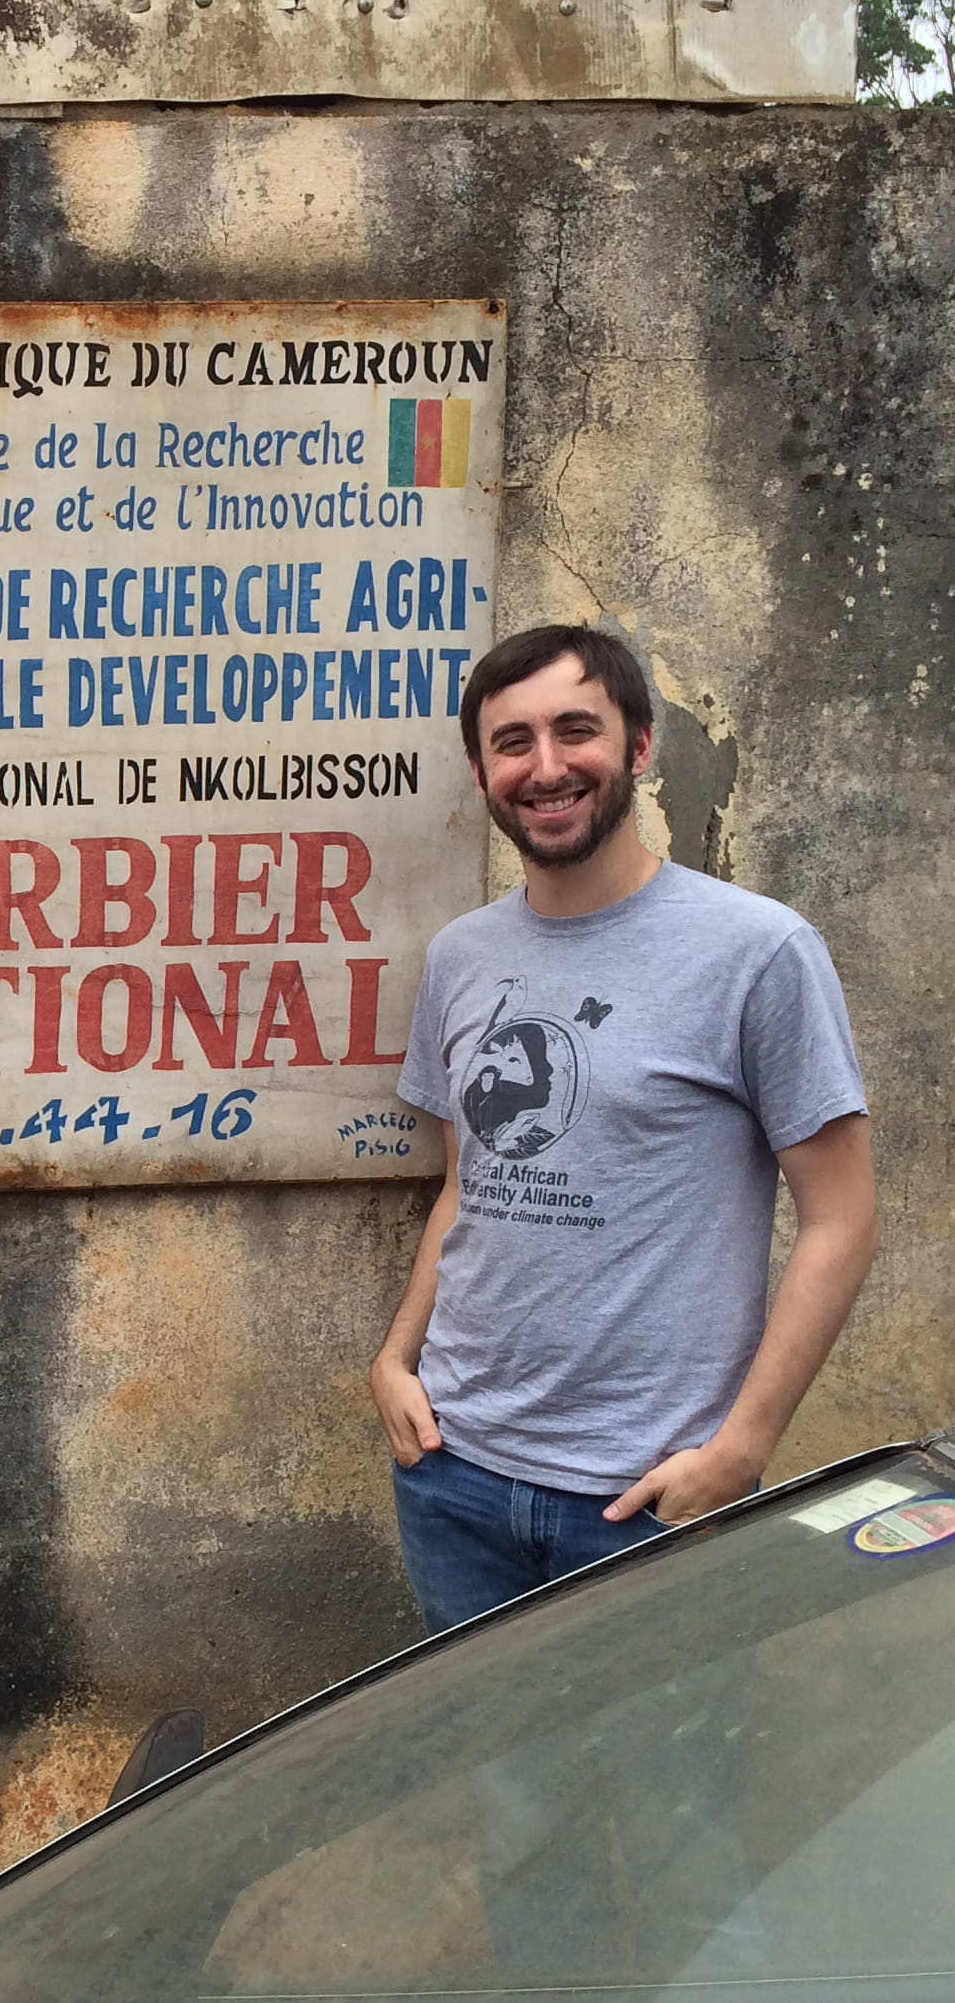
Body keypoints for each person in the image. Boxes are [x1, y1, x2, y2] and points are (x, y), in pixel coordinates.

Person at [371, 621, 877, 1634]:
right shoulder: (463, 956)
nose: (545, 766)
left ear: (637, 746)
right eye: (511, 741)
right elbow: (468, 1182)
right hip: (452, 1475)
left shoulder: (755, 950)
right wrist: (394, 1358)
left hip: (642, 1498)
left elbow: (840, 1216)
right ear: (480, 771)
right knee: (496, 1787)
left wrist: (741, 1448)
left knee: (664, 1796)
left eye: (575, 730)